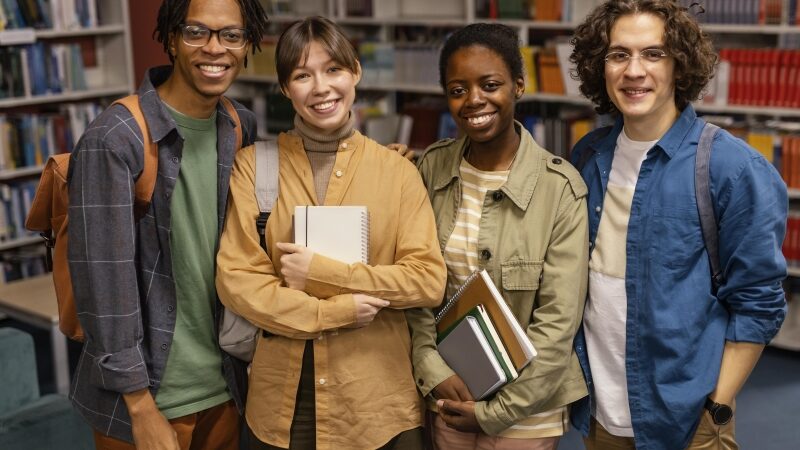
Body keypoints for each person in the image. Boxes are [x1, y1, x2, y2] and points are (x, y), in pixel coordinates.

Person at [215, 16, 447, 450]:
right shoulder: (254, 168)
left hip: (377, 401)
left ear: (355, 71)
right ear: (285, 88)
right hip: (282, 402)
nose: (321, 88)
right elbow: (238, 283)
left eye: (333, 70)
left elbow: (428, 280)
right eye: (303, 75)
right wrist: (336, 313)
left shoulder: (398, 172)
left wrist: (322, 274)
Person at [568, 1, 788, 449]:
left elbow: (760, 303)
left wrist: (717, 408)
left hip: (687, 421)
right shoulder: (587, 157)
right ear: (600, 67)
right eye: (618, 54)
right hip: (601, 415)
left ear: (679, 64)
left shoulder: (731, 167)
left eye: (654, 54)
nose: (634, 71)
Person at [66, 0, 269, 448]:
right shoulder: (115, 137)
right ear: (172, 39)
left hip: (227, 386)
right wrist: (140, 407)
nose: (215, 48)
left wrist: (382, 166)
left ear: (247, 44)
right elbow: (104, 286)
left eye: (231, 35)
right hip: (149, 396)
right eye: (197, 32)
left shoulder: (240, 126)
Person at [404, 23, 589, 450]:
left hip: (526, 412)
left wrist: (496, 413)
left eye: (490, 85)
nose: (473, 101)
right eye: (457, 89)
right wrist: (433, 371)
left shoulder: (560, 188)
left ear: (518, 86)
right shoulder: (428, 170)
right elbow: (416, 291)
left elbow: (558, 323)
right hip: (448, 395)